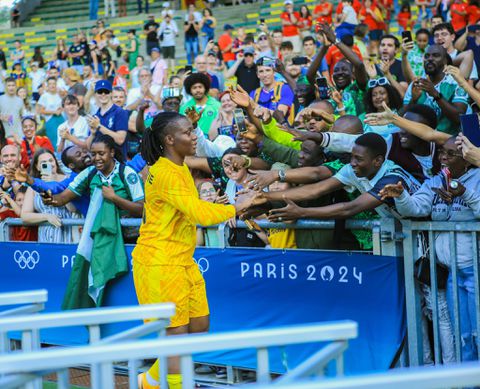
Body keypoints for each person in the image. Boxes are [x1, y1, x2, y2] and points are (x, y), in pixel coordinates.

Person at [131, 112, 250, 389]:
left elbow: (190, 210)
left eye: (194, 130)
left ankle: (150, 380)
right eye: (188, 132)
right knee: (176, 335)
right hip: (160, 261)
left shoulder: (179, 166)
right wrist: (237, 207)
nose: (195, 136)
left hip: (181, 259)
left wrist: (222, 206)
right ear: (170, 139)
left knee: (198, 326)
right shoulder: (164, 172)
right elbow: (198, 213)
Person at [380, 136, 480, 362]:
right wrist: (402, 196)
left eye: (451, 154)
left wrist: (463, 192)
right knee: (463, 337)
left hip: (475, 270)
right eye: (441, 152)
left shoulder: (478, 178)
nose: (443, 157)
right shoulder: (436, 181)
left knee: (478, 335)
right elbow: (416, 208)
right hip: (453, 272)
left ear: (468, 159)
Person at [404, 45, 468, 135]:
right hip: (421, 139)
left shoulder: (456, 83)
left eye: (436, 55)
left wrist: (435, 94)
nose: (430, 59)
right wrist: (413, 100)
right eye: (427, 56)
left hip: (448, 140)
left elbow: (459, 118)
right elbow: (404, 118)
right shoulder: (416, 84)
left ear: (445, 60)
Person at [21, 148, 79, 243]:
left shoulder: (68, 180)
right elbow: (24, 216)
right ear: (37, 167)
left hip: (67, 239)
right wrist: (47, 217)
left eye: (51, 160)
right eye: (44, 162)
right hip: (45, 240)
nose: (49, 164)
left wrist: (54, 184)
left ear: (55, 162)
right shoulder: (33, 186)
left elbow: (73, 209)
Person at [86, 80, 129, 157]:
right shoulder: (95, 116)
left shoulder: (120, 112)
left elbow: (120, 140)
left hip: (117, 162)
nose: (103, 94)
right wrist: (92, 134)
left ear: (111, 93)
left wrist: (99, 126)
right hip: (99, 162)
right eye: (100, 92)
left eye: (106, 92)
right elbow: (89, 147)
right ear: (95, 94)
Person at [37, 76, 63, 147]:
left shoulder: (59, 95)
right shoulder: (45, 96)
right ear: (47, 86)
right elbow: (41, 110)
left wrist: (60, 110)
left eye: (54, 83)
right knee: (53, 141)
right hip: (50, 121)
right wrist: (54, 112)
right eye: (50, 84)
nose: (52, 85)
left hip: (60, 120)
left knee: (62, 139)